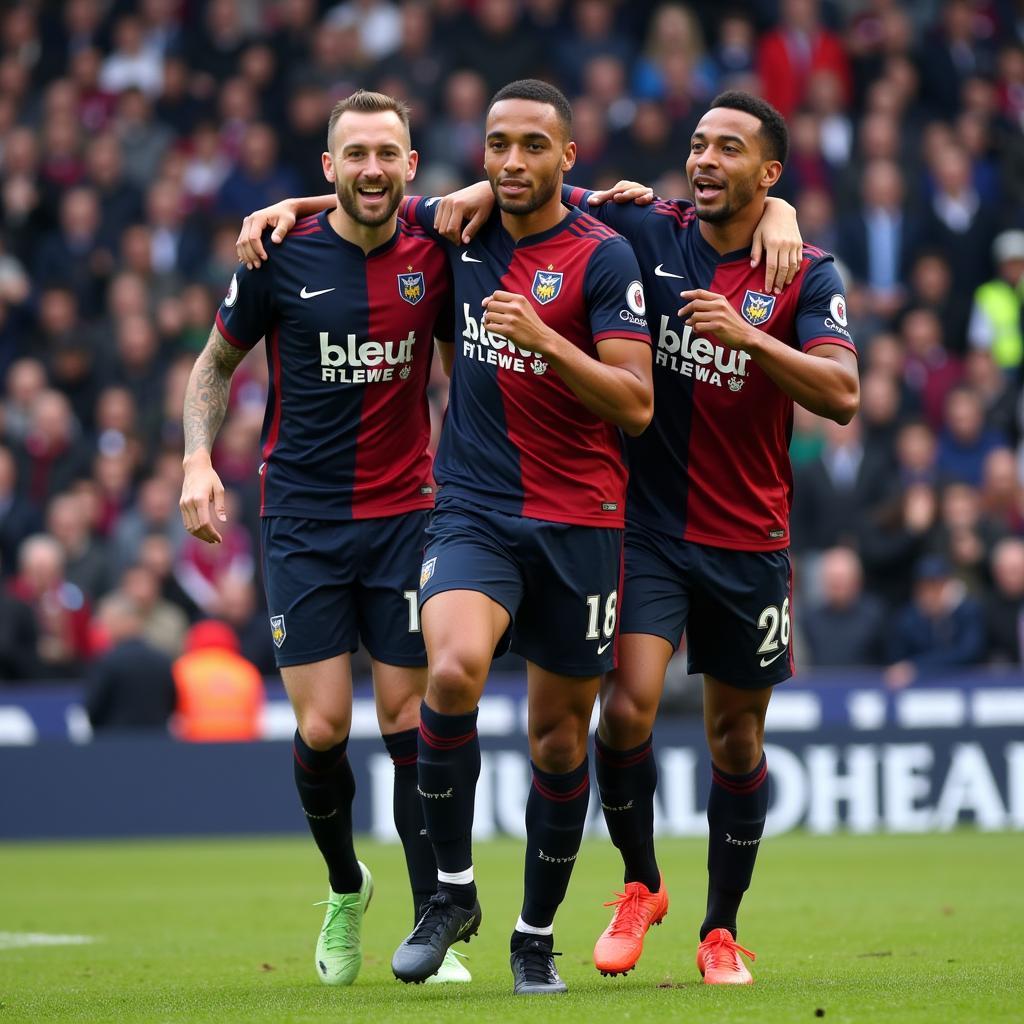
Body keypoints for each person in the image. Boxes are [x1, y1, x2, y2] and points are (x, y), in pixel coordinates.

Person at [237, 78, 656, 996]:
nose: (510, 161)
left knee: (557, 742)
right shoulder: (454, 232)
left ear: (566, 157)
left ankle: (534, 936)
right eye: (497, 145)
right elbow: (364, 193)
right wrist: (285, 205)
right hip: (470, 509)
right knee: (453, 670)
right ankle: (450, 894)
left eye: (532, 146)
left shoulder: (607, 256)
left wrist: (546, 341)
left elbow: (635, 403)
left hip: (582, 520)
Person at [178, 91, 466, 989]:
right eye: (355, 155)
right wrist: (196, 459)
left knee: (406, 719)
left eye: (389, 153)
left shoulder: (438, 252)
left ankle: (434, 922)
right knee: (323, 724)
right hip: (301, 524)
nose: (372, 169)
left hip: (406, 519)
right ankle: (347, 888)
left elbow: (506, 207)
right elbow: (213, 364)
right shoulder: (279, 253)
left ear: (411, 167)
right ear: (329, 167)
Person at [84, 593, 177, 733]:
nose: (104, 628)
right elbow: (171, 703)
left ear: (127, 621)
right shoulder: (163, 660)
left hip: (115, 744)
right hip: (157, 744)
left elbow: (93, 709)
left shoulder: (108, 662)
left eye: (108, 622)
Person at [171, 619, 265, 742]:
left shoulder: (182, 668)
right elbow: (257, 716)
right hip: (241, 742)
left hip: (195, 742)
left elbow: (175, 716)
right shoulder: (246, 670)